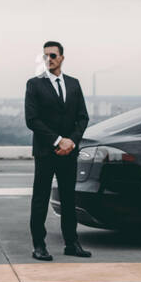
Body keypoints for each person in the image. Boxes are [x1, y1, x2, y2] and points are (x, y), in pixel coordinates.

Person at [24, 41, 91, 260]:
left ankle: (72, 243)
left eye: (52, 55)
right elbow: (32, 120)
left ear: (62, 57)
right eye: (45, 56)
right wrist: (57, 141)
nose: (48, 59)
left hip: (69, 152)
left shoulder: (73, 84)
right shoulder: (34, 84)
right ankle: (38, 246)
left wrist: (70, 141)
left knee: (69, 198)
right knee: (40, 199)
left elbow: (82, 117)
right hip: (46, 152)